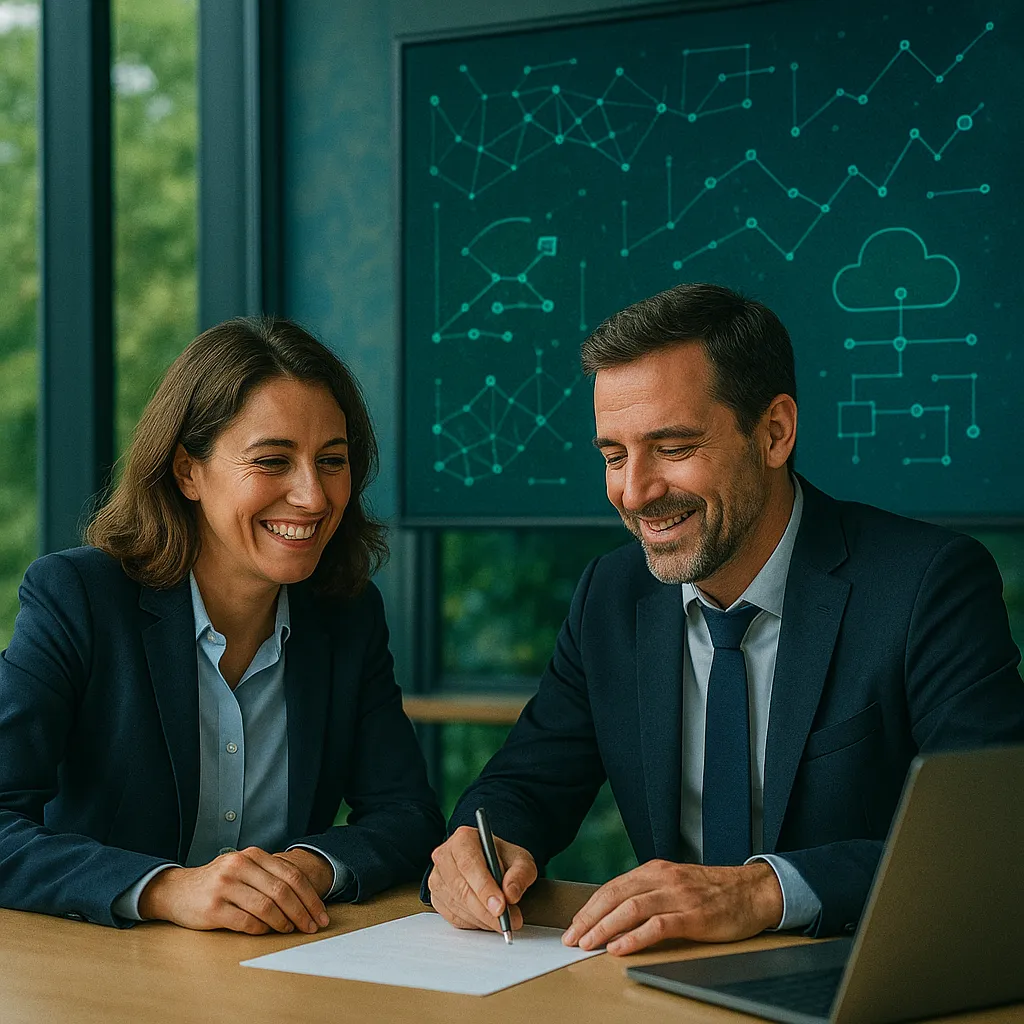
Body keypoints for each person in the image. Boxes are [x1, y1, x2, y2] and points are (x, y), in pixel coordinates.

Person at [426, 282, 1024, 954]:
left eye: (673, 447)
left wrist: (761, 891)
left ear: (774, 434)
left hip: (864, 973)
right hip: (664, 985)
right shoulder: (610, 594)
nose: (635, 491)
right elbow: (527, 782)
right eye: (613, 455)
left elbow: (993, 839)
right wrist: (483, 847)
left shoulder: (925, 585)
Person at [0, 316, 444, 932]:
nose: (313, 497)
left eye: (332, 461)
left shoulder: (347, 617)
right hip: (102, 976)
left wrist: (310, 867)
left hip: (274, 971)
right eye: (273, 461)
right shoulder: (77, 597)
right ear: (188, 471)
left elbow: (408, 816)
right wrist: (163, 889)